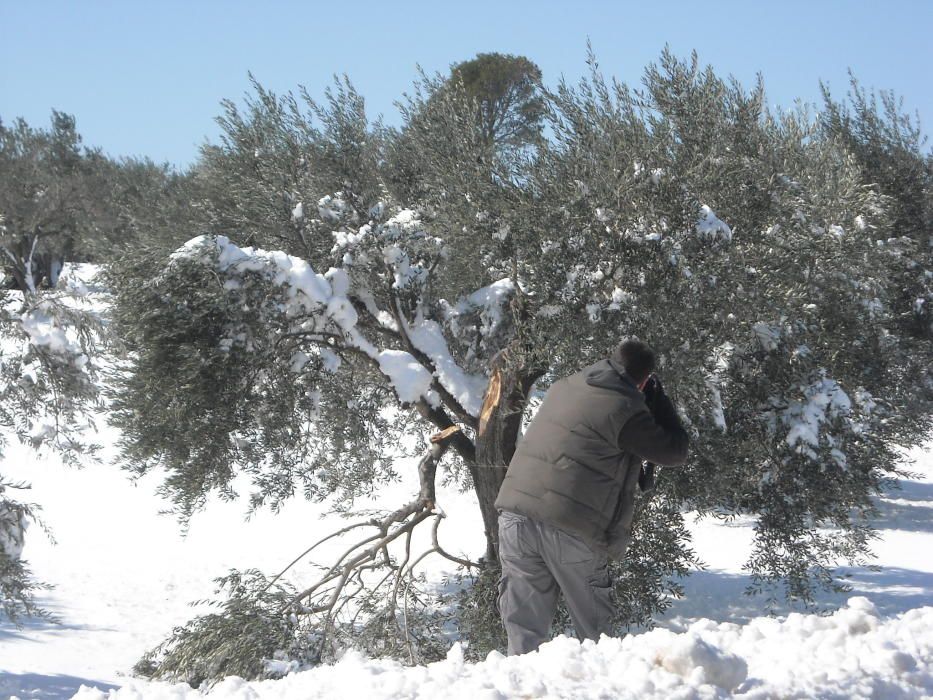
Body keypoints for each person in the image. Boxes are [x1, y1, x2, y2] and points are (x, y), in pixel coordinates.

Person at [494, 338, 688, 655]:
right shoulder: (623, 407)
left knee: (523, 633)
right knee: (597, 638)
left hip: (514, 517)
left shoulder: (565, 386)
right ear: (642, 380)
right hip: (570, 525)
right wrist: (660, 402)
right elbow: (674, 451)